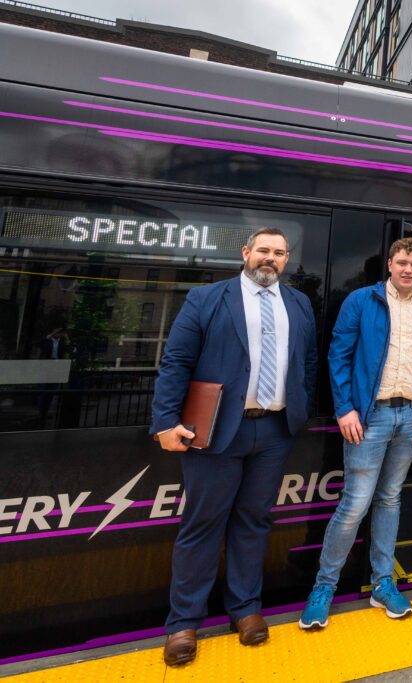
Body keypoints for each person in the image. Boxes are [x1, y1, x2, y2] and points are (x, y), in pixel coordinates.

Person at [151, 228, 317, 666]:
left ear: (286, 260)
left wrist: (300, 406)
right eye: (263, 250)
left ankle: (245, 610)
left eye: (279, 253)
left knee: (254, 521)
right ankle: (183, 622)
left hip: (274, 431)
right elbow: (176, 361)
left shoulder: (299, 304)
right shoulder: (207, 299)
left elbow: (309, 362)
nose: (270, 258)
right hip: (217, 433)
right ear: (246, 253)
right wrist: (166, 422)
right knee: (203, 524)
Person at [298, 237, 412, 629]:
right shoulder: (362, 301)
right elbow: (338, 355)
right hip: (371, 416)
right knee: (354, 504)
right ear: (390, 265)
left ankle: (383, 583)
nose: (408, 269)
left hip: (410, 416)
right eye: (401, 262)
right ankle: (323, 587)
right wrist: (344, 408)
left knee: (391, 499)